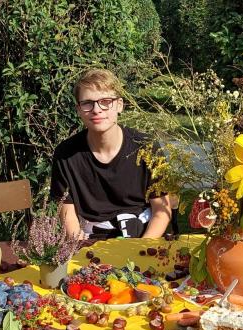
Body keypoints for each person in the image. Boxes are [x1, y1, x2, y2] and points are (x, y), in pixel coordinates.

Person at [50, 69, 171, 240]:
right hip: (92, 239)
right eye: (87, 103)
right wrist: (79, 246)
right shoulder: (66, 154)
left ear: (119, 105)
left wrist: (141, 248)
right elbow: (67, 213)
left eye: (106, 101)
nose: (96, 109)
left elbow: (161, 211)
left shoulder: (146, 147)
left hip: (144, 236)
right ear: (78, 109)